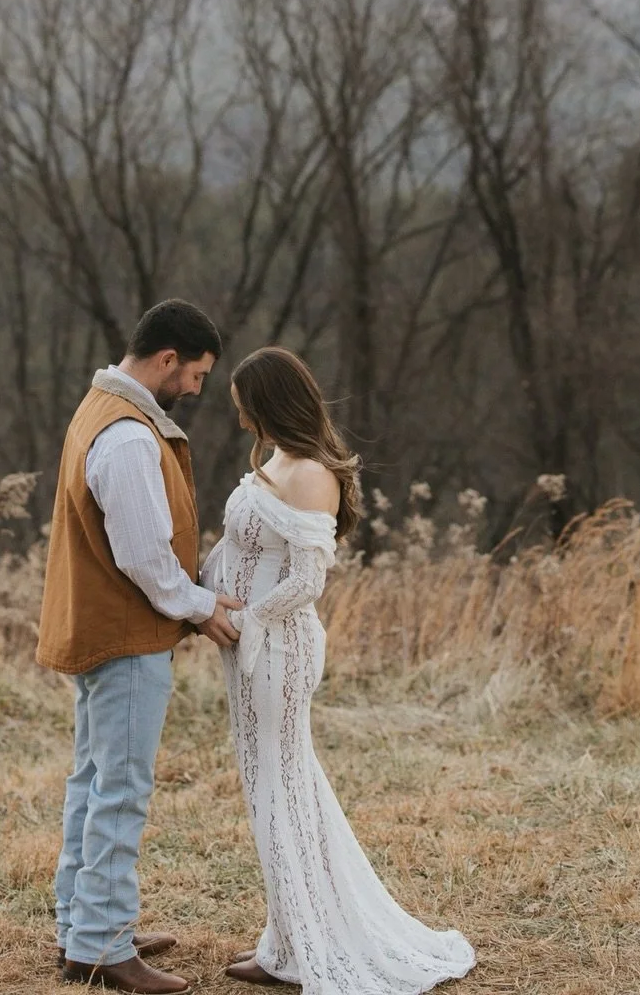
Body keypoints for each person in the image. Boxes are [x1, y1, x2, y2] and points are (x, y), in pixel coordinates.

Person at [202, 345, 476, 992]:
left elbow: (307, 581)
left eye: (245, 408)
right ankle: (290, 936)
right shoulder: (275, 460)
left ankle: (308, 945)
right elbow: (237, 547)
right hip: (246, 650)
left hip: (278, 650)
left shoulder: (312, 475)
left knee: (280, 792)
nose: (241, 421)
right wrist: (196, 599)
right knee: (272, 789)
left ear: (270, 403)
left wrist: (246, 620)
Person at [36, 298, 244, 994]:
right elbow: (145, 558)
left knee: (94, 782)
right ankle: (101, 945)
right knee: (119, 791)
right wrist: (202, 607)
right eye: (196, 375)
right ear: (167, 359)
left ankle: (83, 927)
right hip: (125, 639)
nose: (197, 389)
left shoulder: (100, 409)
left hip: (104, 632)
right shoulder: (127, 436)